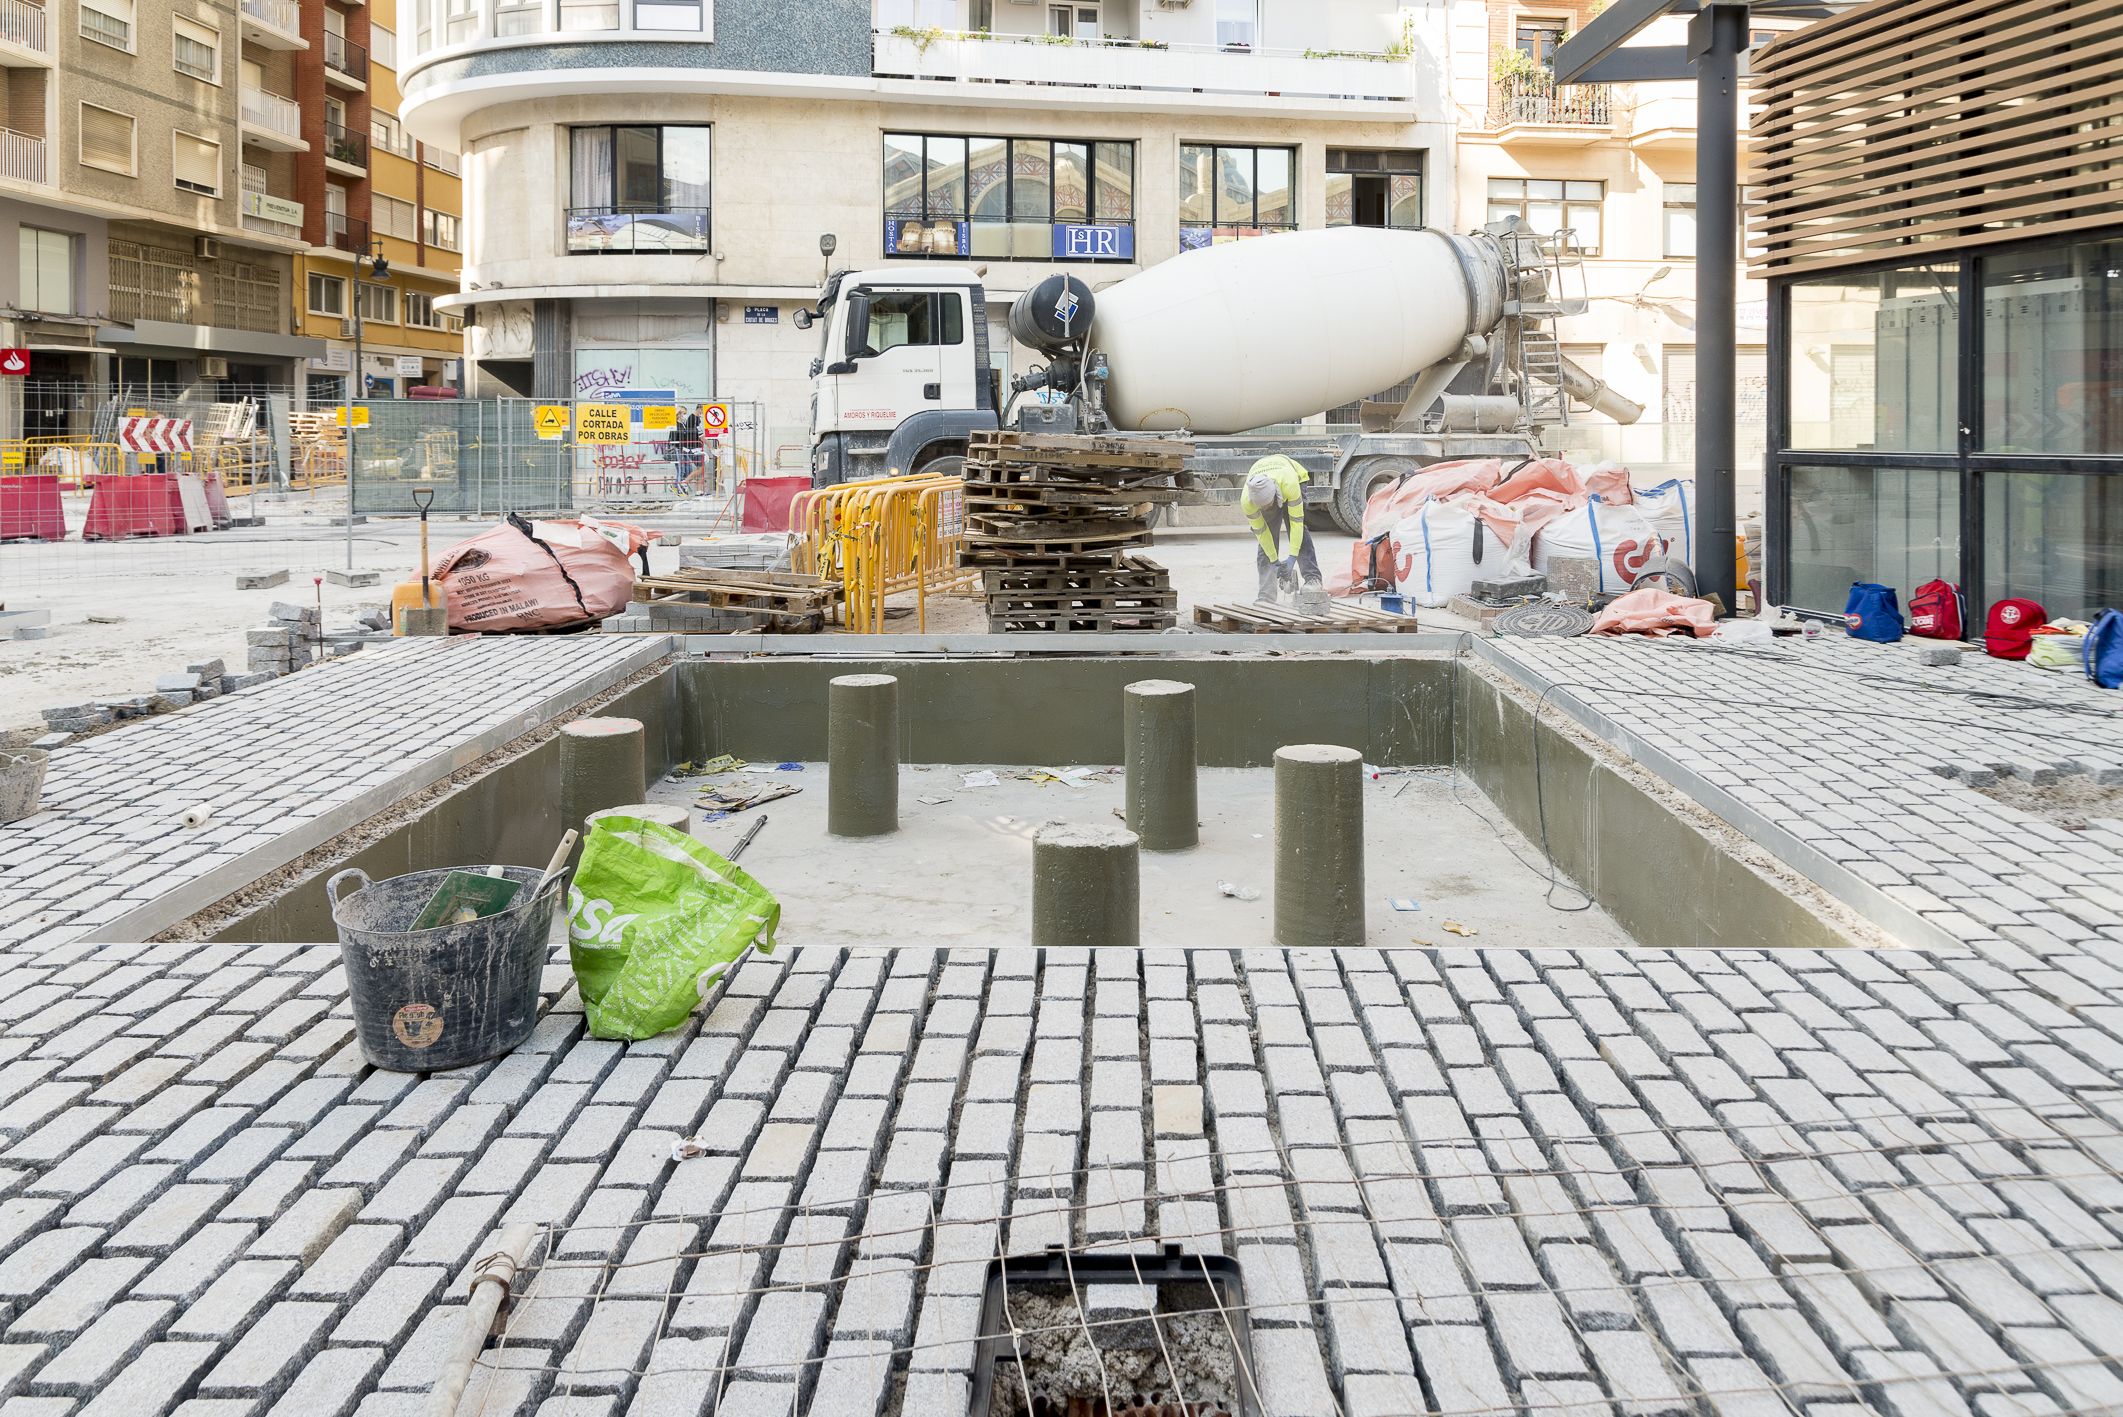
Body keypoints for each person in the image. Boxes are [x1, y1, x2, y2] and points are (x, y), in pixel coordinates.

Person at [1240, 454, 1320, 603]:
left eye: (1268, 505)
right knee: (1267, 536)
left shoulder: (1290, 486)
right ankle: (1266, 595)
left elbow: (1296, 525)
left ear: (1276, 494)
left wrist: (1292, 558)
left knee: (1297, 529)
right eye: (1262, 507)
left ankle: (1312, 579)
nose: (1266, 509)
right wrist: (1274, 561)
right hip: (1270, 479)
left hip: (1295, 479)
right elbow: (1262, 534)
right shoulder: (1247, 501)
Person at [670, 410, 708, 495]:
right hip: (679, 449)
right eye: (683, 413)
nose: (685, 415)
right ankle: (679, 488)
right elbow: (674, 439)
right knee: (682, 470)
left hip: (685, 449)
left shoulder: (684, 424)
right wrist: (679, 447)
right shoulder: (676, 425)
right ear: (678, 415)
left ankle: (678, 486)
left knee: (688, 470)